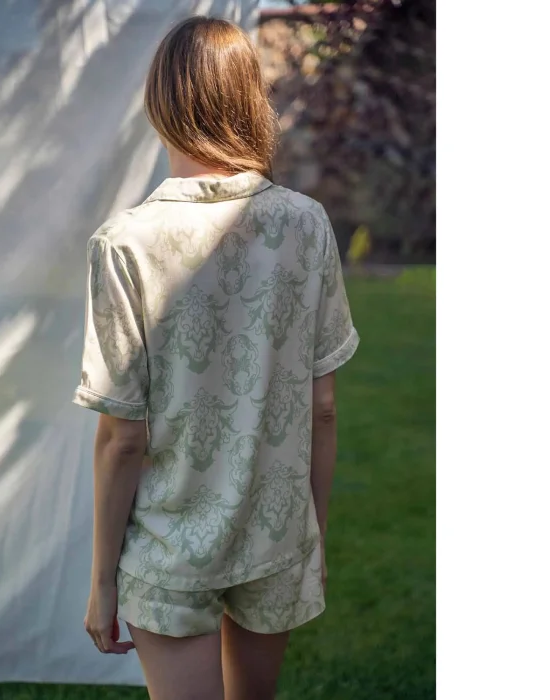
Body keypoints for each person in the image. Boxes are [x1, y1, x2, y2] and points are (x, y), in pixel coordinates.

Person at [73, 16, 359, 700]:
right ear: (248, 99)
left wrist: (103, 581)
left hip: (170, 547)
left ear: (161, 103)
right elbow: (322, 407)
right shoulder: (306, 223)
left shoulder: (127, 242)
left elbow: (121, 438)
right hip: (275, 534)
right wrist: (310, 537)